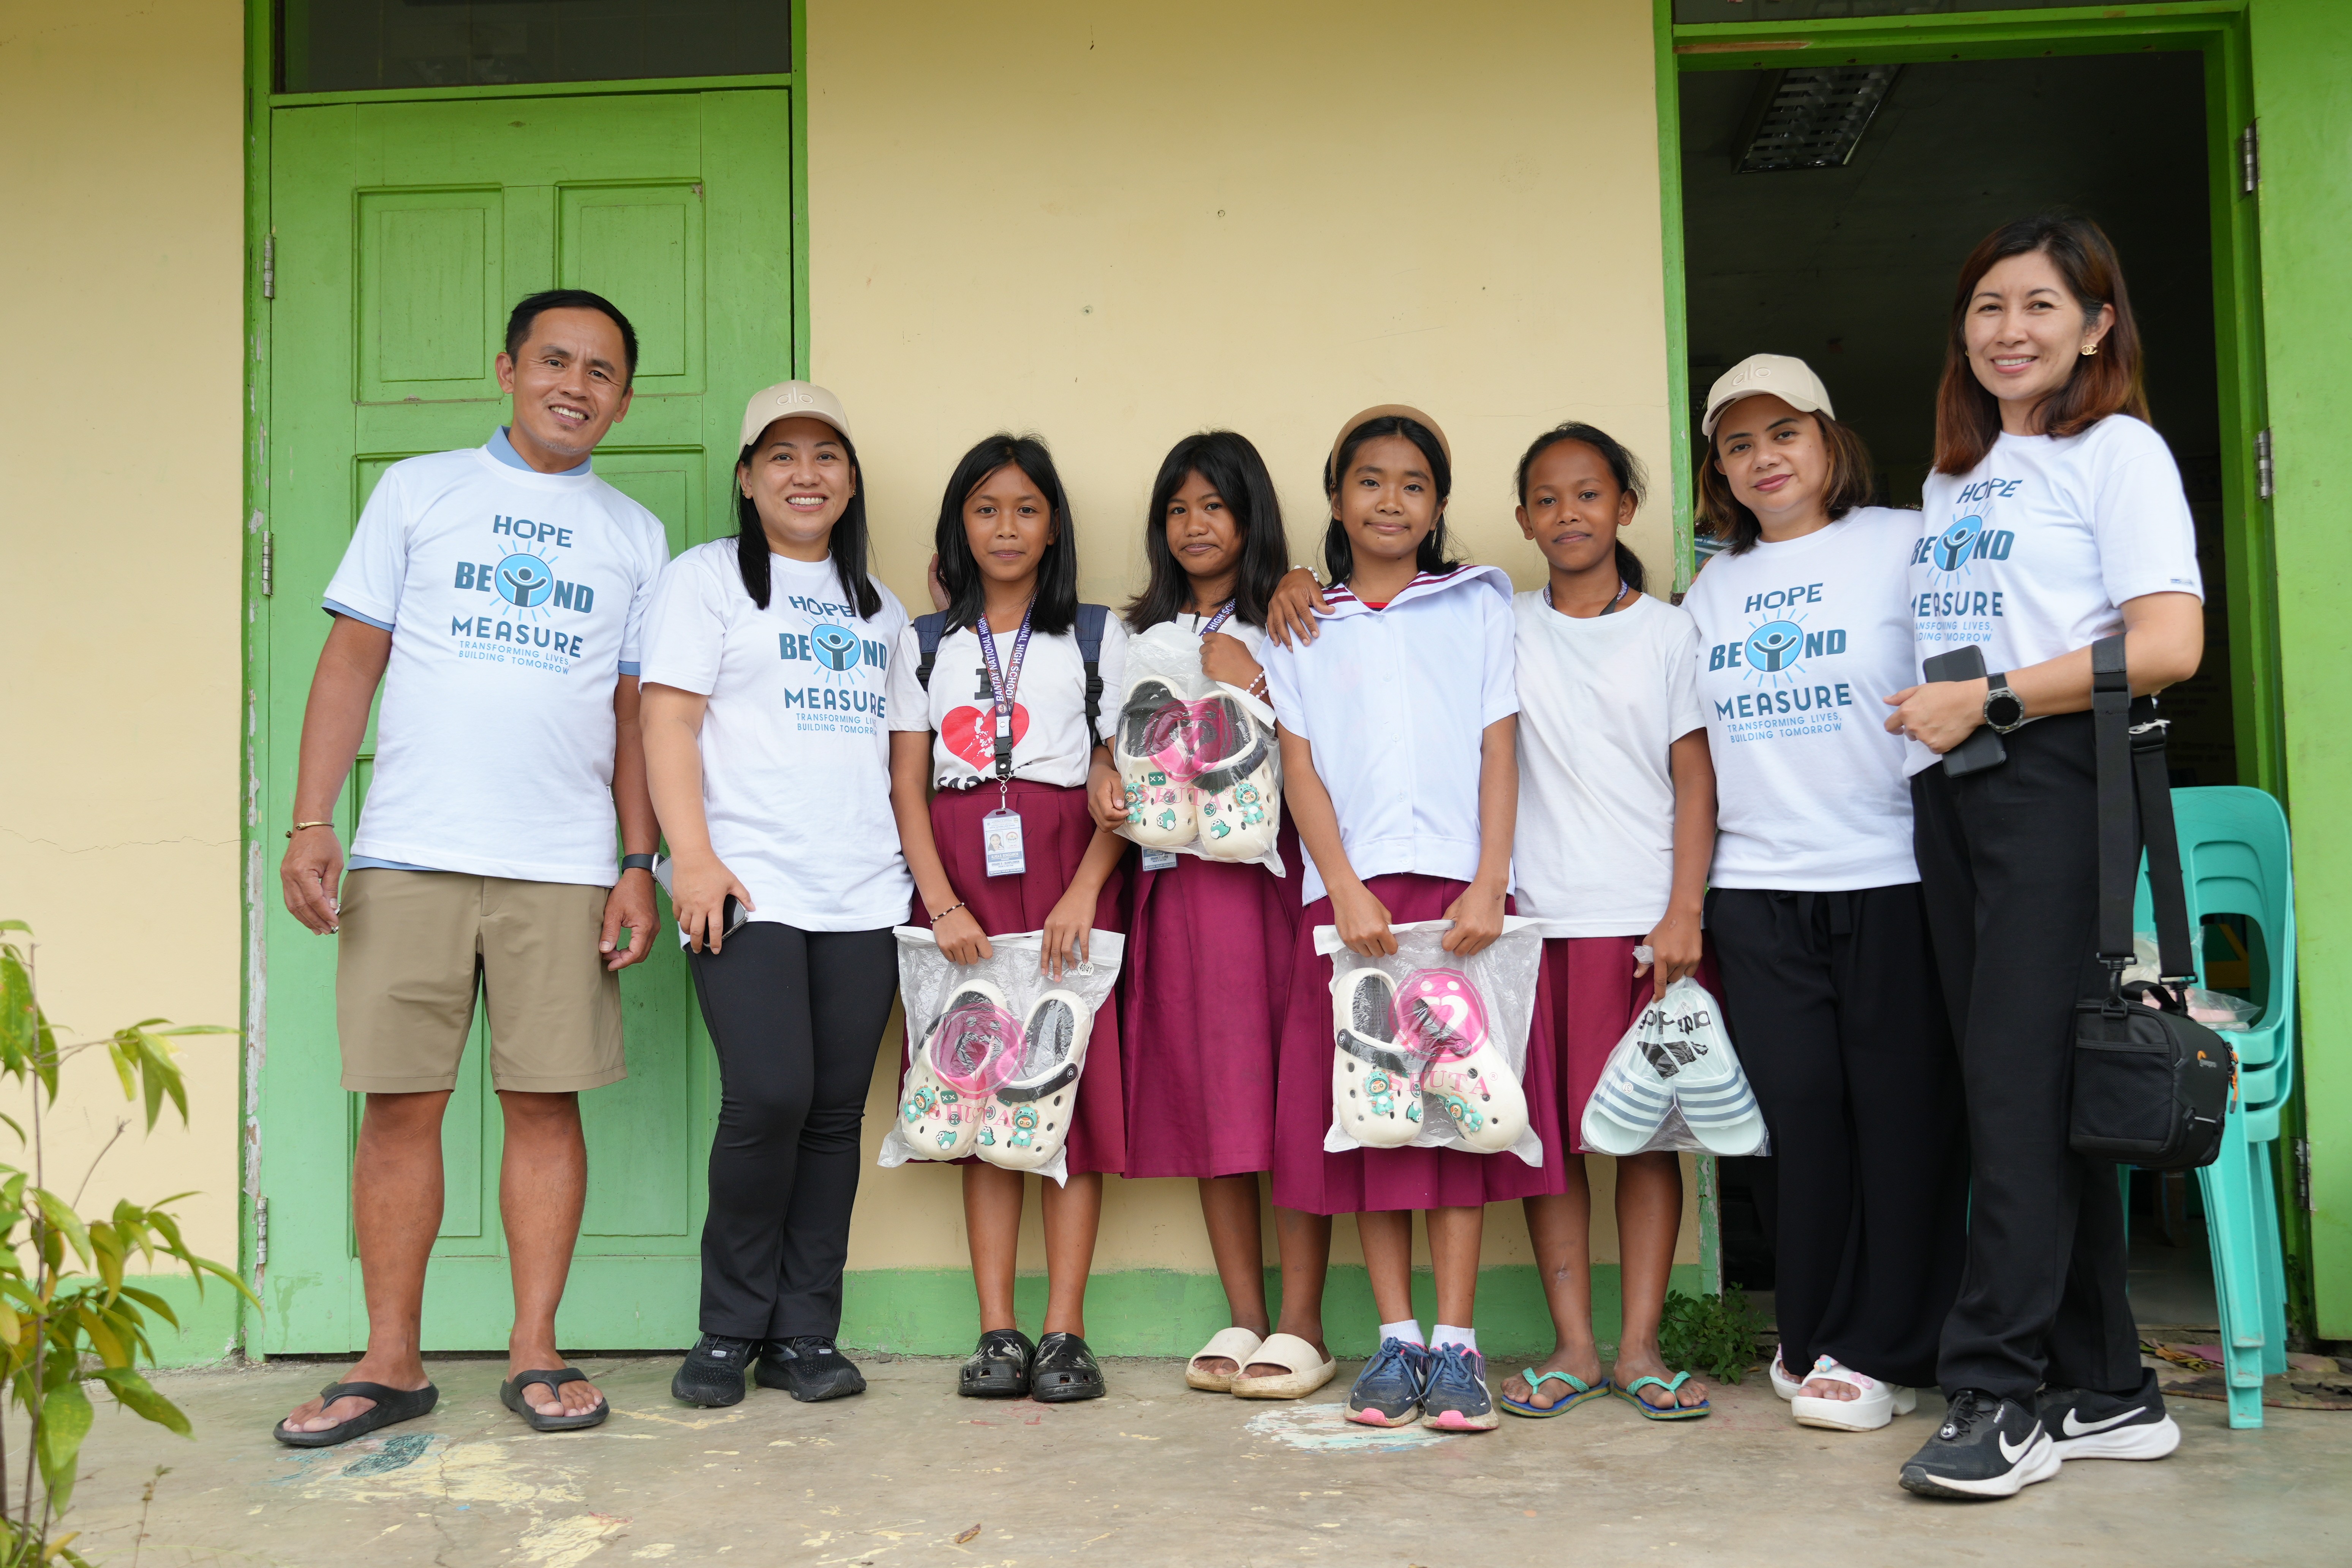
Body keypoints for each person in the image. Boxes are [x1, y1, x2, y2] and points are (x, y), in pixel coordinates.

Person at [273, 289, 669, 1445]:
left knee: (545, 1104)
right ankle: (389, 1361)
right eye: (555, 361)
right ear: (507, 369)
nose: (575, 386)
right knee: (401, 1107)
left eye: (601, 372)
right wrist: (310, 821)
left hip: (564, 866)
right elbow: (351, 660)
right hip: (411, 852)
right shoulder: (419, 491)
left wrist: (635, 863)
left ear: (624, 401)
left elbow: (634, 718)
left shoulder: (634, 535)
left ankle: (535, 1349)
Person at [1886, 217, 2201, 1499]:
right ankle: (2108, 1383)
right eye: (1987, 307)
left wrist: (1997, 698)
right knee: (2014, 1088)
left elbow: (2168, 643)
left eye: (2039, 305)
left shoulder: (2116, 451)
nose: (2009, 330)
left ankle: (1998, 1394)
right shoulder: (1955, 477)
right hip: (1958, 790)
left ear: (2095, 325)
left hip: (2054, 781)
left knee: (2018, 1090)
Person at [1260, 406, 1562, 1434]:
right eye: (1370, 481)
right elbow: (1301, 765)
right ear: (1336, 496)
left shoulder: (1475, 603)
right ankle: (1396, 1341)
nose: (1391, 501)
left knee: (1465, 1112)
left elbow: (1497, 746)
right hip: (1355, 905)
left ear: (1438, 507)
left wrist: (1489, 881)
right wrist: (1342, 885)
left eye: (1414, 485)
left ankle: (1459, 1344)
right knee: (1377, 1113)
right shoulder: (1304, 622)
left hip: (1458, 896)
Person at [1681, 355, 1968, 1436]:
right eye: (1738, 444)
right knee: (1796, 1118)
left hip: (1891, 875)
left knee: (1902, 1119)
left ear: (1829, 439)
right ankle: (1810, 1333)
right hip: (1758, 889)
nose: (1764, 459)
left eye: (1784, 433)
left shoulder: (1905, 542)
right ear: (1720, 470)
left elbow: (1970, 676)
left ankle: (1885, 1348)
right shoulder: (1712, 589)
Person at [639, 383, 911, 1408]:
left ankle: (804, 1333)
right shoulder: (705, 580)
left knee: (833, 1116)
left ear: (851, 480)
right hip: (746, 882)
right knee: (768, 1098)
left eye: (827, 456)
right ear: (748, 479)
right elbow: (667, 723)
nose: (806, 475)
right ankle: (728, 1329)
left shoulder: (879, 606)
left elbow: (901, 758)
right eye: (783, 456)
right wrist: (691, 857)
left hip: (863, 892)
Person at [885, 434, 1131, 1404]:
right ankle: (997, 1329)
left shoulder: (1098, 636)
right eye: (986, 509)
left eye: (1027, 509)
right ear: (960, 524)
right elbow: (907, 787)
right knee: (978, 1095)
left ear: (1054, 526)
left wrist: (1085, 889)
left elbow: (1124, 781)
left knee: (1066, 1097)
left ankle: (1067, 1331)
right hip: (963, 886)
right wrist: (942, 902)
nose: (1006, 527)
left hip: (1069, 872)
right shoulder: (925, 641)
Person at [1077, 431, 1317, 1396]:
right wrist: (1103, 772)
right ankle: (1246, 1311)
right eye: (1178, 510)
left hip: (1267, 889)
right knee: (1218, 1098)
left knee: (1289, 1095)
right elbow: (1118, 742)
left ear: (1251, 515)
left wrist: (1249, 676)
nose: (1194, 525)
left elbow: (1327, 744)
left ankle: (1302, 1321)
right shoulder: (1134, 632)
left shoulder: (1292, 614)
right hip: (1176, 890)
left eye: (1214, 506)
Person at [1496, 423, 1723, 1422]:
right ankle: (1575, 1348)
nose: (1568, 514)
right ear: (1523, 520)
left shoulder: (1671, 633)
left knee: (1644, 1140)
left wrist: (1684, 912)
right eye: (1547, 499)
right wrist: (1299, 582)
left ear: (1625, 508)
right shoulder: (1502, 623)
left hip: (1643, 929)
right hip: (1535, 926)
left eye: (1588, 494)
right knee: (1545, 1142)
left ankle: (1639, 1348)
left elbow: (1695, 781)